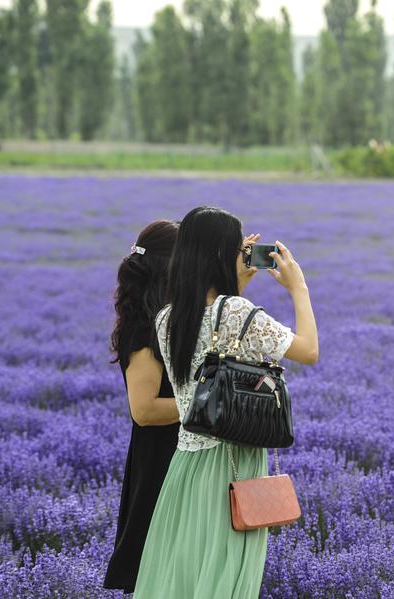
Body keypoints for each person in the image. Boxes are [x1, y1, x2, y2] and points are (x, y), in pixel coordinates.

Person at [133, 206, 319, 599]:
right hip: (233, 465)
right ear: (221, 256)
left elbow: (214, 335)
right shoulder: (236, 311)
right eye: (240, 250)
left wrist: (232, 286)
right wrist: (298, 288)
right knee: (227, 580)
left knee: (185, 576)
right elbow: (308, 350)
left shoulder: (167, 319)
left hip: (185, 468)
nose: (245, 257)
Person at [103, 220, 182, 596]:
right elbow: (144, 410)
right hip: (162, 460)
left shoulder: (169, 320)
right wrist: (205, 403)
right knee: (162, 567)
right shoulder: (145, 330)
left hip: (182, 454)